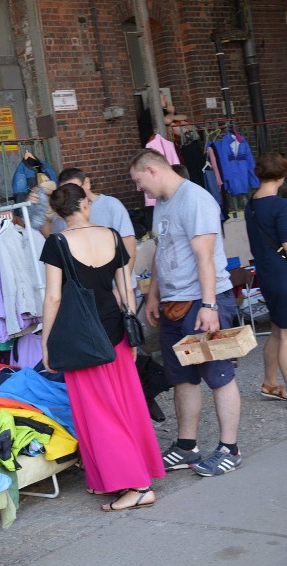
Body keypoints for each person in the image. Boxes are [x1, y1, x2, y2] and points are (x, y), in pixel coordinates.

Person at [41, 183, 164, 512]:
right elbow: (124, 286)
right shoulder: (111, 235)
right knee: (125, 405)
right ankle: (110, 478)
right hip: (116, 330)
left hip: (82, 336)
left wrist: (46, 344)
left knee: (98, 413)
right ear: (83, 204)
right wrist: (132, 330)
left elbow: (53, 297)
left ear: (58, 212)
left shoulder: (57, 243)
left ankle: (138, 485)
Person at [130, 149, 241, 477]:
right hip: (173, 304)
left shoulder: (195, 199)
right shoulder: (163, 203)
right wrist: (153, 295)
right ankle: (186, 447)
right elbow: (162, 251)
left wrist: (208, 305)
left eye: (139, 182)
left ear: (152, 171)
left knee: (219, 376)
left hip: (201, 302)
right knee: (183, 378)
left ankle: (229, 449)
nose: (139, 190)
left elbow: (204, 255)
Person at [245, 152, 287, 401]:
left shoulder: (252, 203)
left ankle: (270, 383)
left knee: (276, 330)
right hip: (282, 273)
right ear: (281, 176)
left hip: (266, 272)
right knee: (285, 335)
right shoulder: (280, 205)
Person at [49, 168, 137, 268]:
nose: (72, 195)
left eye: (75, 189)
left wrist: (124, 279)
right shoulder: (62, 216)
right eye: (66, 193)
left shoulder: (111, 205)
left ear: (87, 183)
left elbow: (129, 243)